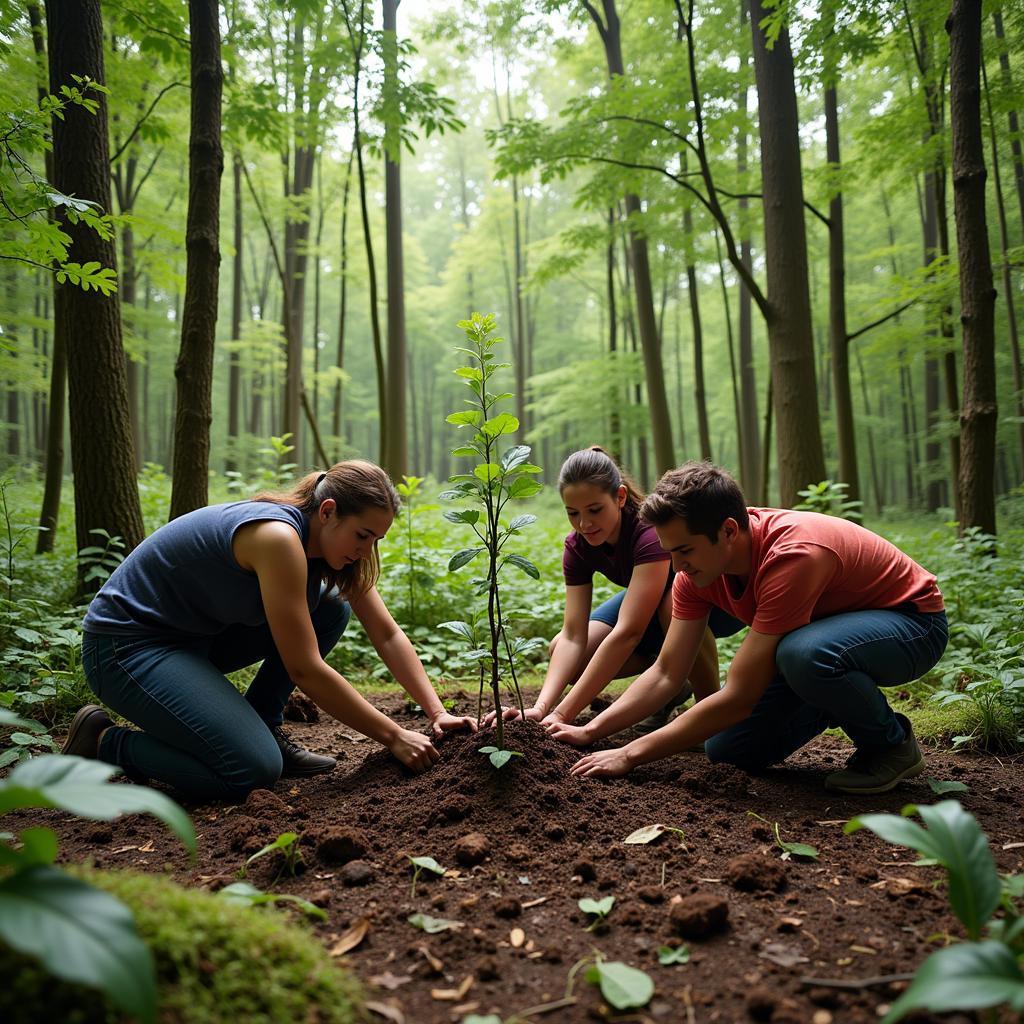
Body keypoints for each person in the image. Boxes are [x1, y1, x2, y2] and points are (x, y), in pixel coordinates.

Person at [62, 461, 475, 802]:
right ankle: (104, 743)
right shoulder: (277, 538)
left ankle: (263, 723)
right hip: (126, 648)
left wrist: (437, 713)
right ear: (328, 511)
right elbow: (305, 669)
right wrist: (394, 735)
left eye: (376, 540)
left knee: (329, 610)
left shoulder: (326, 548)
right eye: (362, 535)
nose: (365, 550)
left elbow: (386, 634)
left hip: (192, 641)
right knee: (251, 771)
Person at [548, 461, 948, 795]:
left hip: (910, 625)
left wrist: (630, 754)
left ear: (728, 531)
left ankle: (890, 745)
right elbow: (667, 672)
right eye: (671, 553)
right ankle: (830, 698)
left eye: (685, 550)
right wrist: (590, 730)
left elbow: (739, 695)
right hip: (822, 635)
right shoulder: (692, 572)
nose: (678, 566)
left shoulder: (794, 557)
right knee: (726, 748)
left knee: (804, 655)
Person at [490, 447, 740, 732]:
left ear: (620, 497)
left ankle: (710, 714)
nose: (584, 524)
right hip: (649, 605)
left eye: (595, 510)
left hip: (711, 600)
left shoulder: (647, 532)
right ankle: (673, 682)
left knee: (672, 605)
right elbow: (573, 634)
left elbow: (628, 632)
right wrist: (541, 708)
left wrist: (563, 714)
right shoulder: (577, 547)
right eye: (573, 513)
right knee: (561, 648)